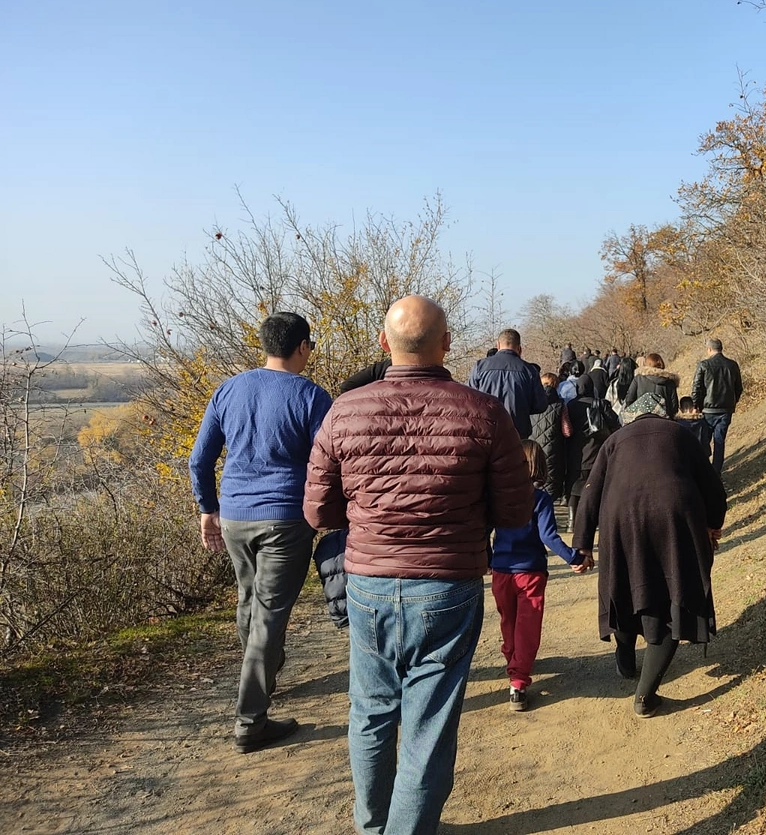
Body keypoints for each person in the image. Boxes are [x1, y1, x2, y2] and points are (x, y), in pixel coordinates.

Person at [304, 296, 533, 835]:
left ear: (384, 343)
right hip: (448, 583)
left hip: (368, 581)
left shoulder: (345, 410)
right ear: (446, 344)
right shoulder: (483, 412)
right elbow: (516, 511)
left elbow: (318, 511)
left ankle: (372, 826)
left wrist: (367, 517)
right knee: (428, 727)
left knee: (371, 710)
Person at [188, 311, 332, 753]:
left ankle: (265, 674)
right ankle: (251, 721)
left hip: (234, 516)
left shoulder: (228, 390)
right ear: (302, 347)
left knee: (250, 599)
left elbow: (199, 460)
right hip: (285, 518)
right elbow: (330, 461)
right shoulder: (311, 396)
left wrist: (208, 509)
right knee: (268, 614)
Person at [571, 400, 726, 718]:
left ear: (629, 419)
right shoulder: (680, 433)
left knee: (623, 588)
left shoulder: (615, 440)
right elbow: (713, 487)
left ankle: (626, 658)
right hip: (674, 520)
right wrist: (713, 524)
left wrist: (582, 546)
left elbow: (590, 492)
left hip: (620, 521)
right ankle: (645, 697)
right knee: (671, 598)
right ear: (663, 415)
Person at [491, 441, 593, 711]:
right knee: (528, 626)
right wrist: (574, 558)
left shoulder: (499, 496)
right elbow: (548, 536)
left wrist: (487, 557)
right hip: (531, 573)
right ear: (540, 465)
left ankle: (513, 659)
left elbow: (484, 528)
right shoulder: (540, 499)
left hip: (501, 571)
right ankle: (518, 682)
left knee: (508, 621)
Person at [468, 328, 547, 438]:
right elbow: (540, 405)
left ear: (498, 345)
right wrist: (523, 407)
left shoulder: (480, 367)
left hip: (486, 431)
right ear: (519, 348)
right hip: (517, 433)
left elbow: (470, 401)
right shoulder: (529, 370)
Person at [563, 374, 618, 532]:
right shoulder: (601, 403)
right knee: (596, 485)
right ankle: (595, 520)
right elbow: (614, 422)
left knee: (573, 485)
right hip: (596, 448)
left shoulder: (571, 405)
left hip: (575, 451)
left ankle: (571, 522)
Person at [691, 338, 743, 477]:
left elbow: (697, 387)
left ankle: (702, 470)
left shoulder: (704, 365)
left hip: (707, 409)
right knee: (719, 441)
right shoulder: (732, 365)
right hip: (726, 409)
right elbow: (738, 388)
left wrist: (695, 405)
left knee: (704, 441)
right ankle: (716, 472)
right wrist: (733, 402)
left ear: (709, 349)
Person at [529, 372, 569, 503]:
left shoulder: (532, 402)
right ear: (556, 385)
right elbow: (567, 431)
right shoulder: (560, 404)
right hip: (553, 450)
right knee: (550, 482)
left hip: (533, 448)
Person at [624, 353, 680, 418]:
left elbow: (629, 400)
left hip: (641, 418)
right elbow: (674, 407)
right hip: (663, 420)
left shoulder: (638, 379)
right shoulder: (669, 382)